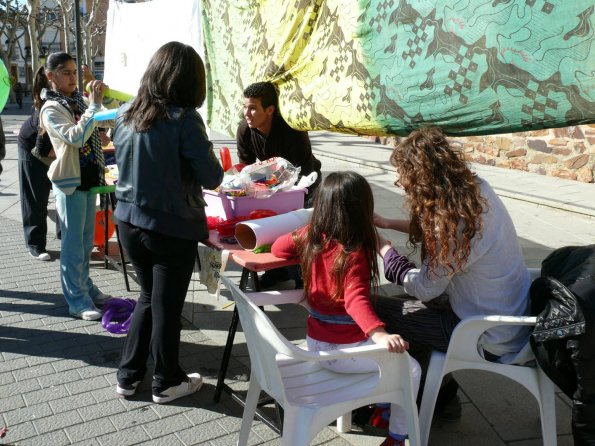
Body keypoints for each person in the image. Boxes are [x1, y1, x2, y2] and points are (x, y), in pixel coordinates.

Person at [373, 126, 531, 417]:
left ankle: (417, 400)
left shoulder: (457, 224)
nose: (399, 182)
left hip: (486, 333)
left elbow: (424, 287)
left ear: (423, 178)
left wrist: (386, 252)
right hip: (508, 314)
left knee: (373, 310)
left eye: (404, 175)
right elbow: (442, 232)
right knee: (401, 308)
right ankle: (435, 393)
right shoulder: (476, 191)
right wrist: (387, 222)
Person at [272, 171, 421, 446]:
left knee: (391, 358)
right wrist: (379, 335)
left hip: (315, 344)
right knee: (410, 369)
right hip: (342, 354)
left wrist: (306, 227)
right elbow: (356, 300)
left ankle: (383, 407)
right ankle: (397, 437)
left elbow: (280, 248)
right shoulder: (355, 252)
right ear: (361, 209)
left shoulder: (312, 237)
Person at [112, 41, 224, 404]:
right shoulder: (184, 119)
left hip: (129, 221)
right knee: (166, 307)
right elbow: (211, 176)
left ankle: (129, 376)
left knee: (148, 298)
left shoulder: (126, 113)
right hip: (169, 226)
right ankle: (166, 380)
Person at [36, 52, 114, 321]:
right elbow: (76, 137)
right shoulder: (51, 108)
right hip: (69, 181)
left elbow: (104, 122)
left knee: (84, 243)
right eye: (66, 73)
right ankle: (77, 301)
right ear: (51, 76)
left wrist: (101, 101)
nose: (72, 78)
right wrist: (93, 108)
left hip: (89, 178)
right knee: (71, 246)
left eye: (74, 72)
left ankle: (86, 287)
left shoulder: (76, 100)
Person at [237, 81, 321, 289]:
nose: (247, 113)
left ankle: (305, 275)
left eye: (253, 108)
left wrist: (284, 197)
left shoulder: (293, 131)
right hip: (272, 182)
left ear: (270, 110)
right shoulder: (244, 130)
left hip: (304, 183)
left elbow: (304, 172)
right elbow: (246, 169)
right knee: (268, 225)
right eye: (245, 106)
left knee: (298, 229)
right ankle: (277, 272)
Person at [17, 104, 60, 261]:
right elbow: (42, 149)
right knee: (35, 198)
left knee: (63, 194)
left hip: (54, 149)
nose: (72, 78)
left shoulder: (78, 103)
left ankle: (64, 237)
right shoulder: (51, 109)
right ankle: (35, 245)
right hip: (32, 149)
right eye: (68, 76)